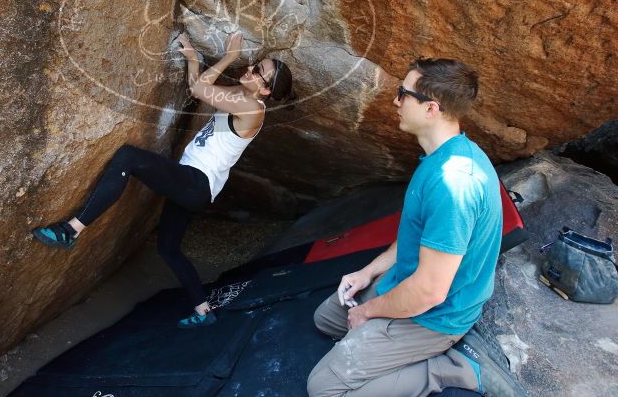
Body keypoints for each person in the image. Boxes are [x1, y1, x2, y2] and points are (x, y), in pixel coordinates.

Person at [32, 31, 294, 328]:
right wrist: (193, 57)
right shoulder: (241, 97)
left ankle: (71, 229)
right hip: (196, 184)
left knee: (128, 158)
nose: (250, 69)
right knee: (168, 248)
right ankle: (204, 312)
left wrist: (229, 56)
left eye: (259, 71)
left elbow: (199, 89)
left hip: (196, 181)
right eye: (255, 65)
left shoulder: (252, 109)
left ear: (267, 91)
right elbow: (201, 86)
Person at [307, 58, 526, 397]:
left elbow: (429, 292)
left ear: (431, 109)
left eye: (402, 94)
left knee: (324, 388)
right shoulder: (442, 155)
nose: (395, 101)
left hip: (437, 315)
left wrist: (367, 312)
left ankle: (454, 368)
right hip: (408, 284)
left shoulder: (453, 184)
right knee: (327, 319)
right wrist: (367, 273)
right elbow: (414, 236)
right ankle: (380, 338)